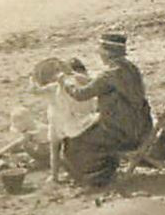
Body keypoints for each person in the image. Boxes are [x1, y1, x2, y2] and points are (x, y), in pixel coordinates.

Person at [58, 34, 153, 188]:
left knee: (73, 140)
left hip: (121, 133)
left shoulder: (108, 75)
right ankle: (102, 170)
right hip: (141, 127)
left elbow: (80, 95)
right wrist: (76, 76)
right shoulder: (129, 68)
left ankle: (94, 179)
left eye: (100, 49)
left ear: (108, 52)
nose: (98, 53)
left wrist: (65, 82)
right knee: (91, 129)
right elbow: (102, 83)